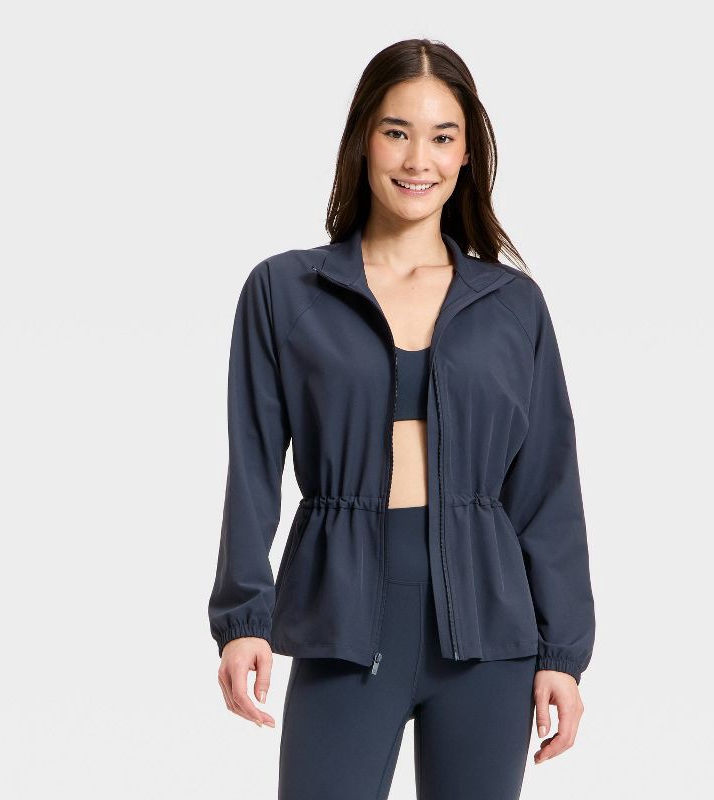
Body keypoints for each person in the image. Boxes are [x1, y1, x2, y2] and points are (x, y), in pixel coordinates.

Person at [208, 38, 595, 799]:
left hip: (489, 637)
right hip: (342, 625)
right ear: (363, 139)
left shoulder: (512, 306)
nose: (420, 159)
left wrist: (562, 653)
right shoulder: (285, 292)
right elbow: (251, 466)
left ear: (467, 155)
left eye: (443, 137)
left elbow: (548, 486)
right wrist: (243, 617)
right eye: (397, 132)